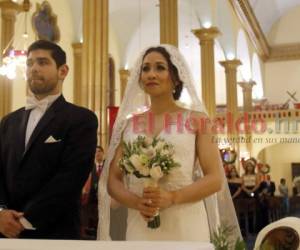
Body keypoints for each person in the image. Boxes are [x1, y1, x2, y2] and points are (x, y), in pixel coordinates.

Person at [97, 45, 241, 243]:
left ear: (176, 76)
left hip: (185, 220)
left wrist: (173, 197)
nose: (151, 74)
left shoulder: (198, 120)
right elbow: (113, 179)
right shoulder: (129, 125)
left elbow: (215, 178)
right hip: (141, 223)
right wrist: (139, 203)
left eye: (160, 68)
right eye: (145, 69)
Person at [0, 40, 98, 239]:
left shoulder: (81, 119)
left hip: (54, 231)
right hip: (4, 231)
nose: (34, 68)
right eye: (29, 63)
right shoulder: (8, 121)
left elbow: (71, 177)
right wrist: (1, 212)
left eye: (43, 62)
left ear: (63, 71)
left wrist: (24, 220)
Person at [81, 146, 105, 239]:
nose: (98, 153)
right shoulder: (91, 167)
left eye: (99, 151)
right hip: (92, 201)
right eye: (96, 152)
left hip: (104, 200)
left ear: (103, 153)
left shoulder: (107, 166)